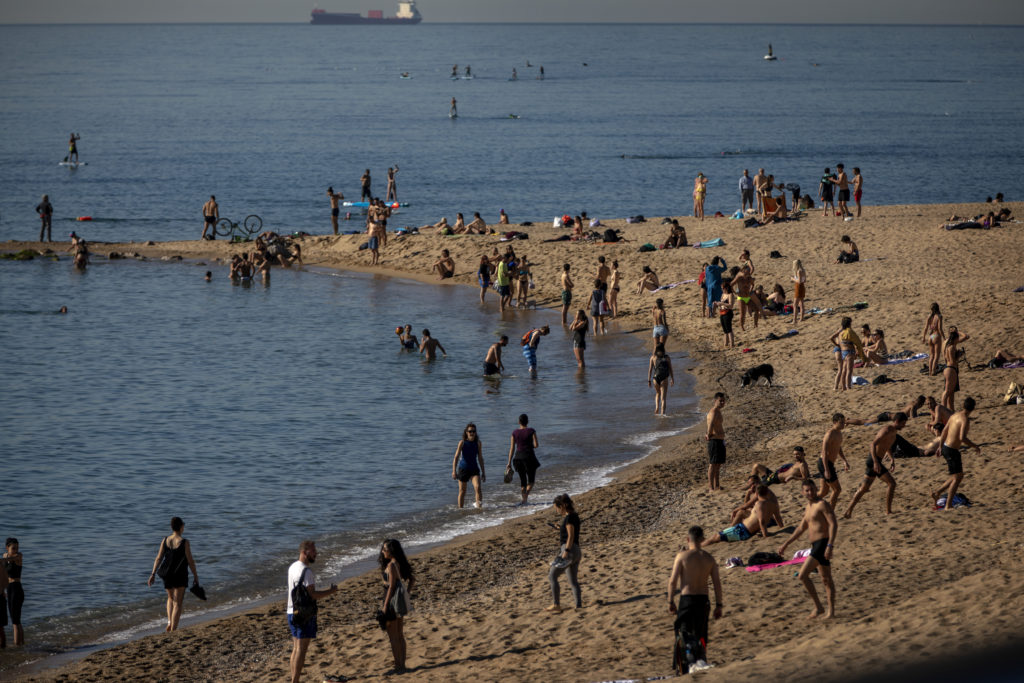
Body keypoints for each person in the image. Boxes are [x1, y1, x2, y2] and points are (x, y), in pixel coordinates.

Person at [778, 480, 838, 619]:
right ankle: (830, 612)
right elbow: (801, 528)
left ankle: (819, 607)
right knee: (826, 579)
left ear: (816, 488)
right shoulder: (808, 507)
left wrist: (830, 545)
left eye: (812, 489)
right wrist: (786, 543)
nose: (810, 492)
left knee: (802, 575)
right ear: (802, 492)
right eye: (807, 490)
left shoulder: (822, 504)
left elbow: (833, 524)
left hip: (822, 544)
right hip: (815, 545)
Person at [667, 526, 722, 675]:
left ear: (687, 539)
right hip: (703, 600)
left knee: (684, 633)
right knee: (701, 633)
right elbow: (717, 584)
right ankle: (701, 659)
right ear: (702, 539)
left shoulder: (682, 557)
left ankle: (689, 664)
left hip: (687, 599)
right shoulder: (709, 558)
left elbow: (672, 581)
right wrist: (719, 605)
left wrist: (670, 601)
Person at [288, 540, 339, 683]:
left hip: (291, 611)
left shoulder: (292, 567)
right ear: (304, 552)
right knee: (301, 649)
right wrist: (331, 591)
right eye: (313, 551)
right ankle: (295, 681)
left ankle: (294, 679)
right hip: (304, 613)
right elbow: (313, 595)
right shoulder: (307, 571)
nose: (316, 553)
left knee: (296, 647)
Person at [843, 413, 906, 518]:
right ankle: (888, 511)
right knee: (892, 484)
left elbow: (887, 446)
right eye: (903, 423)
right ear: (897, 422)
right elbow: (873, 444)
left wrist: (891, 459)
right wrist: (876, 462)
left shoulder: (894, 431)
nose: (904, 426)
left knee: (864, 488)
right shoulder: (886, 430)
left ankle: (848, 511)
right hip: (873, 461)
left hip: (875, 461)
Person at [146, 517, 199, 632]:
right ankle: (173, 630)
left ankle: (170, 621)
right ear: (181, 527)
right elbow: (190, 561)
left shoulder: (165, 540)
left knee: (170, 598)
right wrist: (195, 576)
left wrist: (153, 573)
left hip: (167, 574)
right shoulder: (184, 542)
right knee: (178, 603)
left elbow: (158, 558)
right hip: (180, 574)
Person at [932, 397, 980, 510]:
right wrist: (975, 446)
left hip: (945, 447)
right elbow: (962, 438)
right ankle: (948, 505)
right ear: (973, 408)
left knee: (956, 475)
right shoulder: (965, 420)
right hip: (952, 450)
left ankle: (937, 492)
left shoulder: (954, 415)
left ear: (963, 405)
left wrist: (940, 447)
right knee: (957, 478)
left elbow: (944, 431)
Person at [704, 486, 778, 544]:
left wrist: (765, 535)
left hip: (742, 531)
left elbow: (761, 520)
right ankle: (729, 530)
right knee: (717, 536)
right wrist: (781, 527)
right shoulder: (772, 503)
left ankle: (696, 547)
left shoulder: (759, 504)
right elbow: (778, 517)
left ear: (756, 493)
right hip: (745, 530)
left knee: (715, 537)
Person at [546, 493, 582, 612]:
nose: (556, 510)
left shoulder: (569, 518)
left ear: (562, 505)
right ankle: (578, 606)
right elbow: (569, 532)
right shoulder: (574, 516)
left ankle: (556, 604)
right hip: (576, 551)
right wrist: (559, 528)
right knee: (573, 582)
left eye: (557, 507)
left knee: (552, 575)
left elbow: (570, 536)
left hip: (569, 550)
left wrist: (566, 551)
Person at [506, 414, 540, 505]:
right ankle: (525, 498)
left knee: (523, 481)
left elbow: (512, 448)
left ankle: (524, 500)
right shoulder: (531, 431)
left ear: (519, 422)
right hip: (529, 457)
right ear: (527, 422)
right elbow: (536, 445)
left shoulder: (514, 433)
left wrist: (509, 463)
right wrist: (529, 446)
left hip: (518, 459)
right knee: (531, 481)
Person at [818, 414, 851, 508]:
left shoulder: (839, 433)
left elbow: (838, 448)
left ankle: (812, 504)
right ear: (835, 422)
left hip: (829, 464)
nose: (843, 424)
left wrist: (844, 460)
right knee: (837, 490)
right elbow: (824, 452)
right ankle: (830, 512)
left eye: (844, 422)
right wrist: (826, 469)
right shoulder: (830, 434)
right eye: (841, 423)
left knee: (823, 492)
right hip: (825, 463)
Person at [452, 423, 485, 508]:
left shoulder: (478, 443)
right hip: (463, 469)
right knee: (462, 491)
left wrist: (483, 472)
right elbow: (456, 457)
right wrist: (454, 471)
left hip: (474, 469)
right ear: (466, 432)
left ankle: (479, 508)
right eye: (470, 431)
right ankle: (460, 510)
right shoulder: (462, 443)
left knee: (477, 487)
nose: (472, 433)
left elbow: (480, 458)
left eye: (473, 431)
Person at [829, 317, 864, 391]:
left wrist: (837, 345)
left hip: (842, 350)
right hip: (847, 350)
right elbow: (856, 342)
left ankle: (841, 387)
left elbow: (833, 338)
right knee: (848, 370)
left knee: (842, 370)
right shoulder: (847, 331)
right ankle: (848, 386)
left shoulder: (841, 332)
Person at [941, 327, 970, 411]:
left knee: (951, 392)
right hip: (951, 369)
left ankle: (951, 410)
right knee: (947, 392)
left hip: (947, 368)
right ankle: (943, 409)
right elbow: (953, 361)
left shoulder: (946, 344)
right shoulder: (952, 347)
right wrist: (959, 355)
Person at [3, 539, 24, 646]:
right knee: (15, 619)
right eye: (13, 548)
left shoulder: (19, 556)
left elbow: (13, 558)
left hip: (17, 588)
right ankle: (22, 644)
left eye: (17, 547)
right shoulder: (5, 555)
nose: (16, 550)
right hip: (9, 589)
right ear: (7, 547)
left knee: (15, 621)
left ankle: (17, 646)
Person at [705, 392, 727, 492]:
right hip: (714, 440)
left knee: (718, 464)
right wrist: (709, 435)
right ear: (715, 401)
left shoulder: (718, 411)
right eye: (720, 401)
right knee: (713, 464)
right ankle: (710, 487)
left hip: (719, 440)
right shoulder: (714, 412)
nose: (722, 402)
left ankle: (717, 485)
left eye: (723, 401)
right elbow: (711, 425)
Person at [648, 343, 674, 416]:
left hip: (655, 378)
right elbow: (670, 369)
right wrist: (672, 379)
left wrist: (649, 380)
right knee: (663, 398)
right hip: (664, 378)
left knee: (657, 393)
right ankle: (663, 413)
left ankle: (657, 407)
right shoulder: (667, 357)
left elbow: (650, 370)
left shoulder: (653, 357)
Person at [791, 260, 806, 324]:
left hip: (799, 287)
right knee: (801, 303)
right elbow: (804, 280)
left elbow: (799, 281)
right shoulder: (803, 270)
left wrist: (793, 279)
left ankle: (794, 320)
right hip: (802, 286)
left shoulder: (798, 271)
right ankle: (801, 318)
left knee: (795, 304)